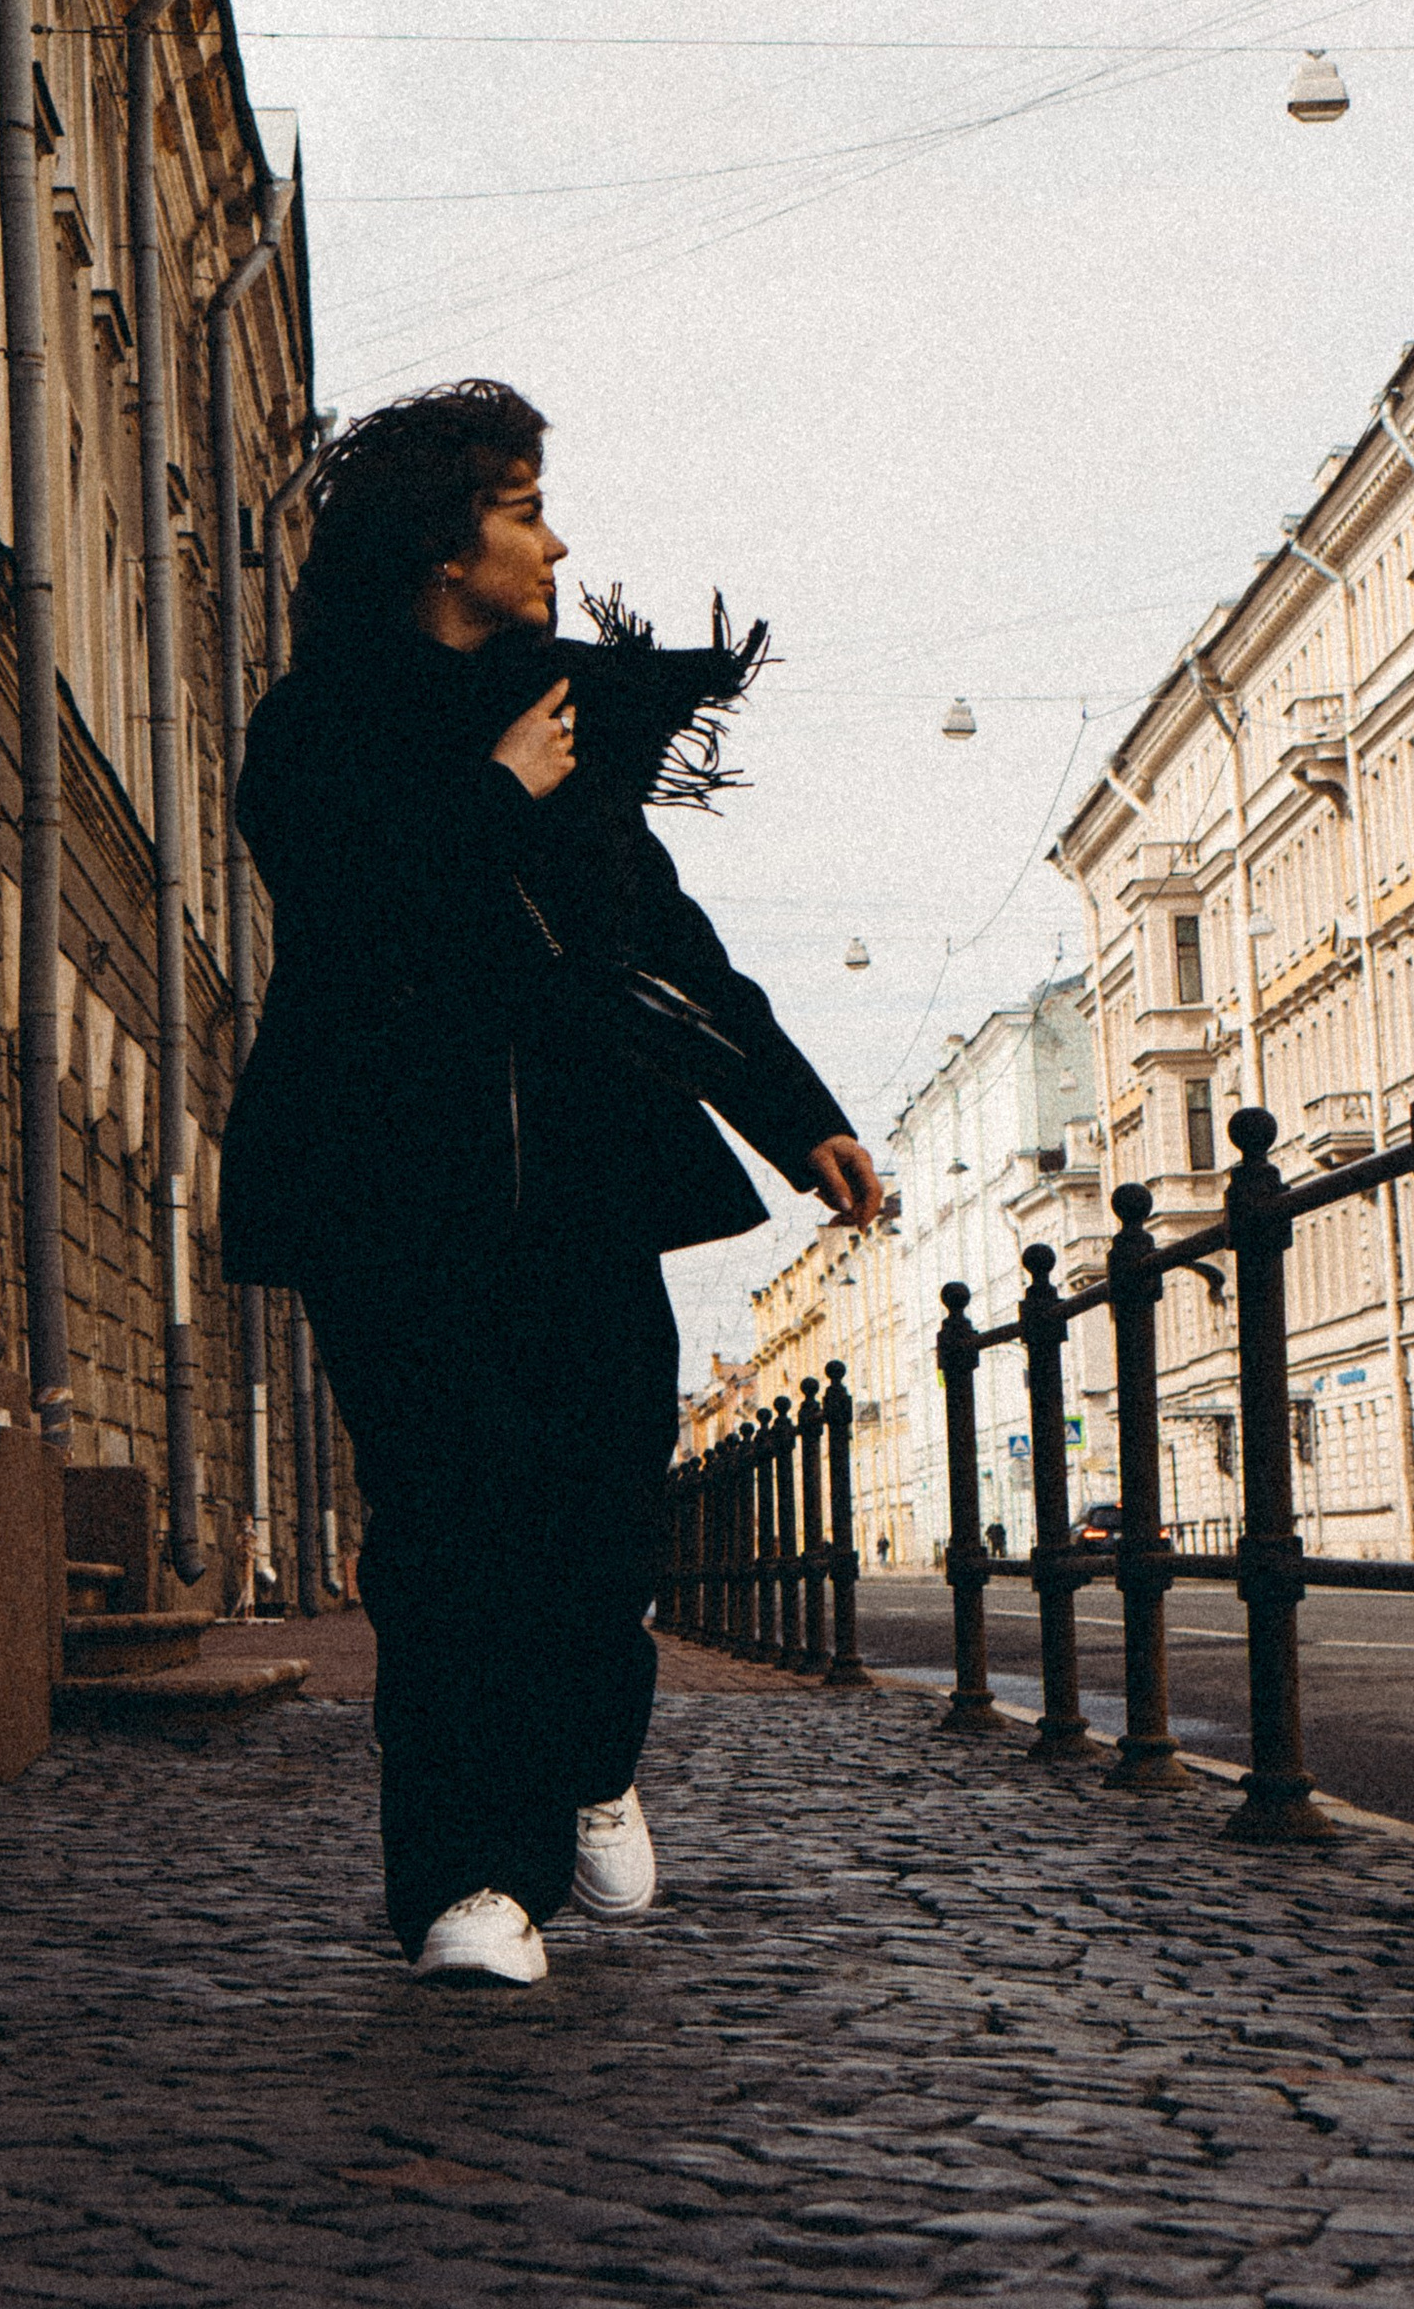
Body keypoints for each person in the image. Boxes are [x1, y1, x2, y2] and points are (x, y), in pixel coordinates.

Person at [221, 379, 879, 1989]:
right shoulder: (313, 728)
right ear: (445, 551)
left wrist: (800, 1116)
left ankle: (590, 1758)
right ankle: (471, 1886)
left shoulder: (572, 734)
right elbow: (360, 919)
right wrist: (495, 792)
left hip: (583, 1182)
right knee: (447, 1534)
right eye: (524, 509)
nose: (557, 539)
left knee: (595, 1520)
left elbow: (660, 939)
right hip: (388, 1185)